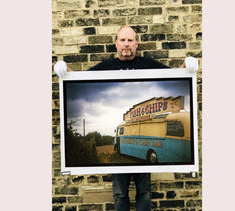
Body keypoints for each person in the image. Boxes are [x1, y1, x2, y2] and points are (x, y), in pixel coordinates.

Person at [54, 26, 199, 211]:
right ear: (116, 44)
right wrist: (64, 70)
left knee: (144, 191)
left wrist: (187, 67)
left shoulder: (149, 64)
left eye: (130, 40)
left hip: (141, 159)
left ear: (136, 44)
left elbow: (175, 75)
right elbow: (77, 80)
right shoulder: (105, 67)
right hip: (120, 161)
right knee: (120, 193)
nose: (126, 44)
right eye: (122, 40)